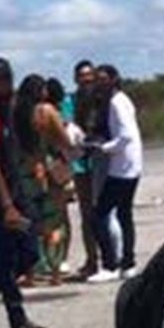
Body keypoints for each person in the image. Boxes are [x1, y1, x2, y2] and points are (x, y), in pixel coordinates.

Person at [0, 57, 46, 328]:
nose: (4, 83)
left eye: (6, 78)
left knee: (30, 251)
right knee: (8, 255)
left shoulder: (17, 106)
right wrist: (6, 204)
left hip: (19, 187)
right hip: (2, 192)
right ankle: (16, 316)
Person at [14, 74, 77, 286]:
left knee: (31, 222)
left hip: (25, 171)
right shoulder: (46, 111)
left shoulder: (17, 113)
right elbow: (64, 141)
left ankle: (30, 271)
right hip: (48, 169)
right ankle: (55, 271)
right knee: (55, 221)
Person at [87, 64, 142, 283]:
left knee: (98, 215)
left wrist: (104, 148)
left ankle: (110, 264)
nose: (100, 83)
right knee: (124, 214)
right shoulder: (122, 99)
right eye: (97, 79)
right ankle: (128, 263)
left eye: (103, 79)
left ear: (114, 79)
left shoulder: (117, 102)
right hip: (131, 164)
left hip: (122, 167)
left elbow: (126, 135)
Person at [69, 60, 100, 279]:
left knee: (106, 213)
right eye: (82, 77)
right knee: (87, 214)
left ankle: (110, 258)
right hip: (81, 164)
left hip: (102, 161)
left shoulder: (102, 100)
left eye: (90, 77)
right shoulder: (70, 102)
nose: (86, 81)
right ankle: (92, 259)